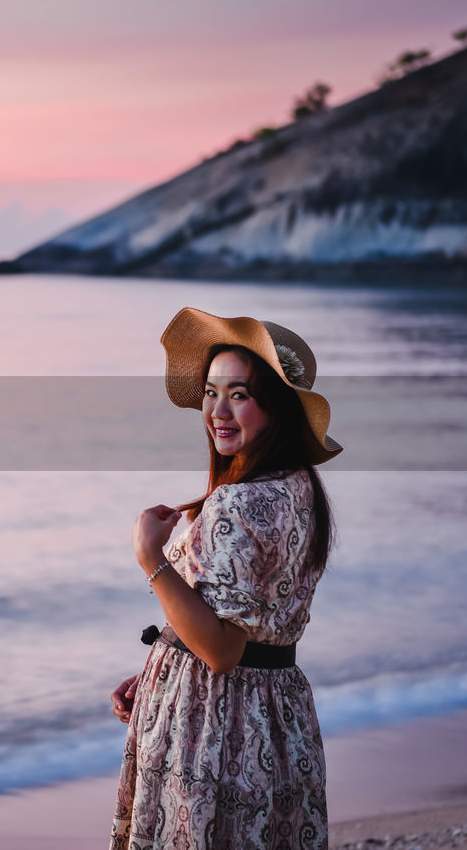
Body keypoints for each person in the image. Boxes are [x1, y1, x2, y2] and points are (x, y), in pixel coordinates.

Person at [108, 307, 341, 849]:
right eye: (211, 392)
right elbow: (250, 622)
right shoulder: (298, 487)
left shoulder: (237, 504)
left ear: (277, 407)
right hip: (278, 717)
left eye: (239, 394)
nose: (217, 410)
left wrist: (152, 558)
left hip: (216, 728)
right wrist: (161, 664)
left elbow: (221, 650)